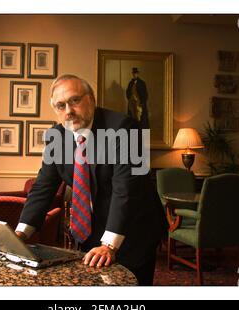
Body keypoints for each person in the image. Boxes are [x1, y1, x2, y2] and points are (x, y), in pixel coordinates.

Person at [15, 74, 166, 285]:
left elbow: (127, 189)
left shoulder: (126, 128)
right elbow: (43, 187)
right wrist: (20, 234)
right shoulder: (56, 136)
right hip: (93, 229)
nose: (68, 111)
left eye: (74, 100)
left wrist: (110, 245)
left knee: (131, 287)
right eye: (60, 106)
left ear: (92, 99)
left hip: (135, 228)